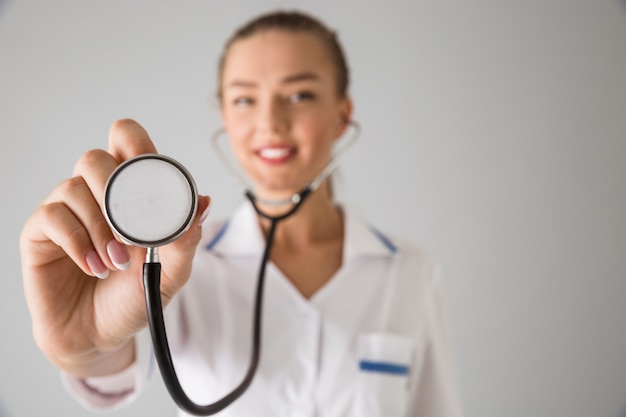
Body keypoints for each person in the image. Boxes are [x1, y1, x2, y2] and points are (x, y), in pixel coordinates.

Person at [19, 10, 462, 417]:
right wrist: (81, 345)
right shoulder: (177, 266)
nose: (270, 121)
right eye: (245, 100)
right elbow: (108, 365)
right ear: (225, 119)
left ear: (342, 116)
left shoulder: (411, 274)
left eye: (301, 94)